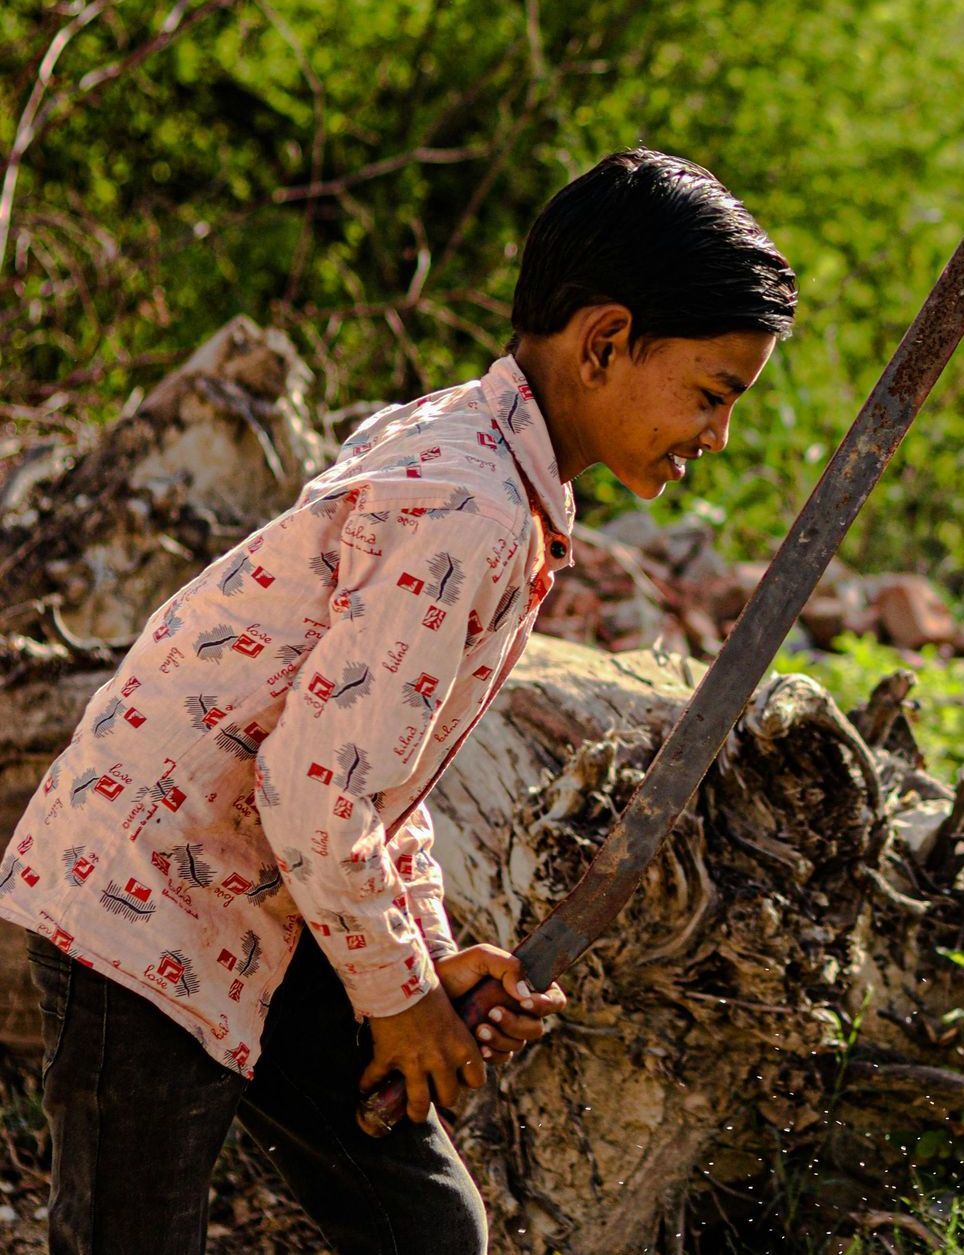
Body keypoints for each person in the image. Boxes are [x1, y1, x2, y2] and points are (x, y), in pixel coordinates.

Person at [0, 147, 797, 1254]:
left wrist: (419, 960)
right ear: (605, 340)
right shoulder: (463, 508)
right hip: (144, 903)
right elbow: (317, 791)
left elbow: (375, 771)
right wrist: (398, 998)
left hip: (277, 896)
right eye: (712, 395)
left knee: (423, 1231)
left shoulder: (492, 467)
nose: (717, 436)